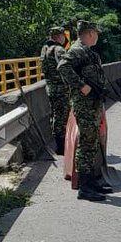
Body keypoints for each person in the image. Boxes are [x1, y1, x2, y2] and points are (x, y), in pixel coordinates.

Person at [57, 20, 110, 201]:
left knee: (92, 142)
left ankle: (92, 182)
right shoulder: (77, 50)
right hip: (84, 104)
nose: (97, 36)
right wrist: (81, 86)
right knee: (86, 144)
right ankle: (85, 187)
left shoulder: (87, 51)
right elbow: (62, 67)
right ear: (89, 33)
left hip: (92, 103)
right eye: (96, 32)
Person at [39, 25, 69, 154]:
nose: (65, 38)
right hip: (61, 89)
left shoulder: (44, 49)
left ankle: (58, 144)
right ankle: (62, 147)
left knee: (55, 116)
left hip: (50, 87)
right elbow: (66, 68)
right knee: (62, 117)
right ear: (59, 36)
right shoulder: (58, 50)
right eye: (63, 36)